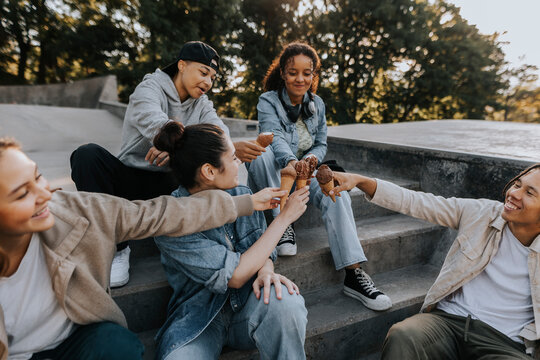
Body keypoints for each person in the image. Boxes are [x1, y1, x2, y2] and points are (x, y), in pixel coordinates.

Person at [0, 137, 283, 359]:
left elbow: (159, 215)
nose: (45, 194)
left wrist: (245, 203)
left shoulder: (74, 210)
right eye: (22, 193)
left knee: (119, 346)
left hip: (74, 342)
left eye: (37, 177)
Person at [70, 41, 266, 287]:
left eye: (213, 78)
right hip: (132, 177)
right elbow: (153, 119)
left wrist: (178, 152)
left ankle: (223, 237)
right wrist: (175, 143)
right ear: (182, 65)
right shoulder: (149, 88)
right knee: (86, 155)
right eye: (203, 73)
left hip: (172, 182)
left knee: (217, 165)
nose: (208, 82)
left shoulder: (202, 103)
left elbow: (220, 133)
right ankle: (116, 249)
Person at [329, 164, 540, 359]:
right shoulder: (482, 213)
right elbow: (417, 202)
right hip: (448, 322)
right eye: (517, 184)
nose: (513, 193)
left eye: (529, 193)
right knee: (404, 335)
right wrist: (360, 181)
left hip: (504, 342)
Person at [246, 42, 392, 311]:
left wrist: (311, 159)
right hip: (279, 173)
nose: (300, 79)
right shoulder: (268, 100)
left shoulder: (318, 104)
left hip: (307, 173)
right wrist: (291, 162)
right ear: (283, 74)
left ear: (313, 75)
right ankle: (282, 221)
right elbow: (273, 135)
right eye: (293, 72)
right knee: (260, 154)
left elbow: (321, 142)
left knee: (337, 192)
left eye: (307, 73)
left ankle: (353, 273)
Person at [152, 122, 309, 360]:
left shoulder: (243, 195)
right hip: (199, 321)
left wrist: (267, 270)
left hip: (248, 306)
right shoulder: (171, 221)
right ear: (209, 171)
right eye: (234, 158)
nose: (239, 165)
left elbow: (262, 250)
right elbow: (234, 276)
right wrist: (284, 219)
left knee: (286, 301)